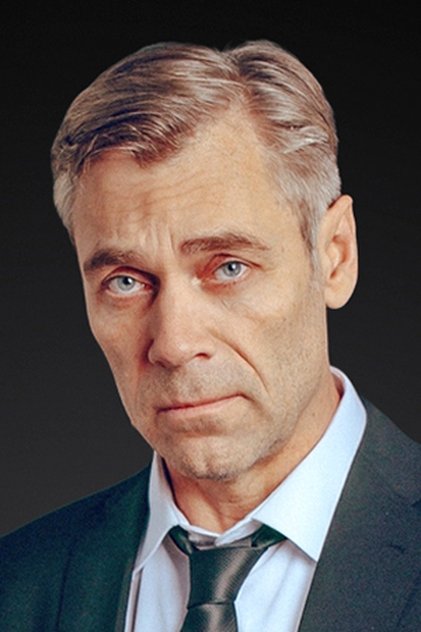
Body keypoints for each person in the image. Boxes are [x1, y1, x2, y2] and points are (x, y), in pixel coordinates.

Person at [0, 40, 419, 632]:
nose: (173, 343)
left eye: (228, 267)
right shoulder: (17, 586)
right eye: (126, 281)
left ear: (335, 255)